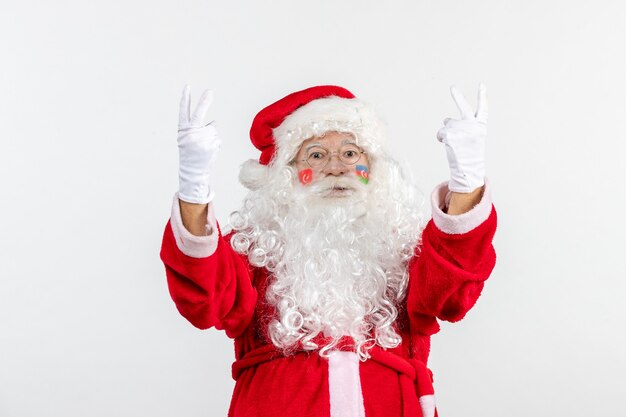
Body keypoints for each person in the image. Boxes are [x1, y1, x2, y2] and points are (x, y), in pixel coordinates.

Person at [160, 84, 497, 417]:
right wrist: (194, 187)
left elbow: (451, 297)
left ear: (373, 167)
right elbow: (204, 301)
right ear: (288, 173)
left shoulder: (402, 245)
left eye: (350, 153)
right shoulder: (257, 246)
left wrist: (466, 183)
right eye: (317, 155)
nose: (336, 168)